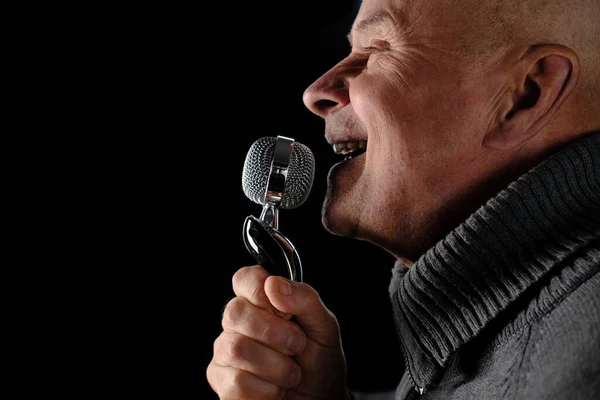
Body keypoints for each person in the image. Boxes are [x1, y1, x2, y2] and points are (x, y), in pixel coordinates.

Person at [206, 0, 600, 398]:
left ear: (526, 94)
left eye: (377, 48)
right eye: (350, 51)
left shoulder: (576, 365)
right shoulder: (494, 338)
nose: (316, 93)